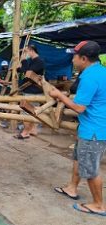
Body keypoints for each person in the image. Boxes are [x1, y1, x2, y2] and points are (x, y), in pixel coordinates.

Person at [50, 41, 106, 217]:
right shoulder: (101, 71)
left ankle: (99, 205)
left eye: (74, 56)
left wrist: (59, 95)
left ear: (84, 58)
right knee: (78, 157)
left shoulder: (89, 77)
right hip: (92, 126)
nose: (72, 59)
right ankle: (72, 188)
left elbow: (79, 108)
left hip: (94, 130)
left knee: (90, 169)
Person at [14, 45, 45, 139]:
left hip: (33, 91)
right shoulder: (33, 61)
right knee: (32, 111)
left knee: (27, 112)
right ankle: (33, 130)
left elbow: (27, 73)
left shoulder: (39, 61)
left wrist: (23, 60)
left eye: (26, 52)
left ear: (31, 51)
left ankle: (25, 132)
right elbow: (22, 70)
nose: (25, 54)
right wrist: (17, 68)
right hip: (30, 90)